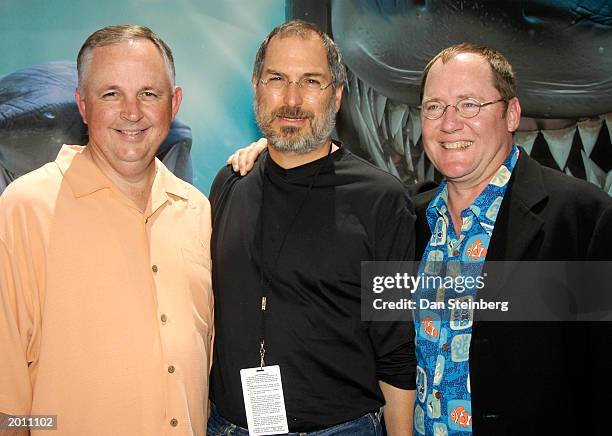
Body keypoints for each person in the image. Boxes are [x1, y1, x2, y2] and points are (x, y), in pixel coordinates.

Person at [229, 42, 612, 435]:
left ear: (511, 113)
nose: (449, 123)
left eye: (469, 104)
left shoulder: (581, 220)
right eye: (434, 107)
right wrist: (273, 152)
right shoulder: (412, 219)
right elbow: (384, 345)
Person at [0, 25, 213, 436]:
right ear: (83, 105)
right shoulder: (25, 208)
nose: (132, 112)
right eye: (110, 94)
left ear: (175, 102)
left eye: (149, 93)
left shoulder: (196, 210)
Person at [208, 20, 416, 436]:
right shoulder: (230, 182)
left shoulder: (382, 200)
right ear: (256, 87)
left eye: (311, 82)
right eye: (277, 79)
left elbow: (396, 348)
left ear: (337, 95)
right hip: (226, 426)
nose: (291, 99)